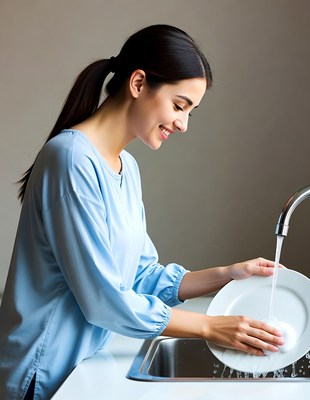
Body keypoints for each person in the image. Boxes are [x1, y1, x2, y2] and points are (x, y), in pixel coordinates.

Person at [0, 24, 284, 399]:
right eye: (179, 105)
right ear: (138, 84)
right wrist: (210, 327)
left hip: (81, 368)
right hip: (42, 374)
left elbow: (140, 276)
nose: (182, 124)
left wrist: (229, 274)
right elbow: (104, 300)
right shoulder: (70, 159)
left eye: (190, 113)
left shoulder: (125, 168)